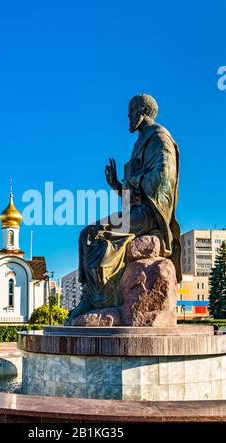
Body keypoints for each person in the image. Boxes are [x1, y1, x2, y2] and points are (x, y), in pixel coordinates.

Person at [66, 94, 181, 324]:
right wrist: (117, 185)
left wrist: (129, 182)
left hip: (150, 216)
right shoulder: (141, 141)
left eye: (131, 111)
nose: (127, 116)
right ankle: (95, 295)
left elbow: (162, 180)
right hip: (138, 212)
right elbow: (136, 191)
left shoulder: (159, 138)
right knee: (88, 234)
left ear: (142, 111)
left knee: (93, 235)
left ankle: (99, 297)